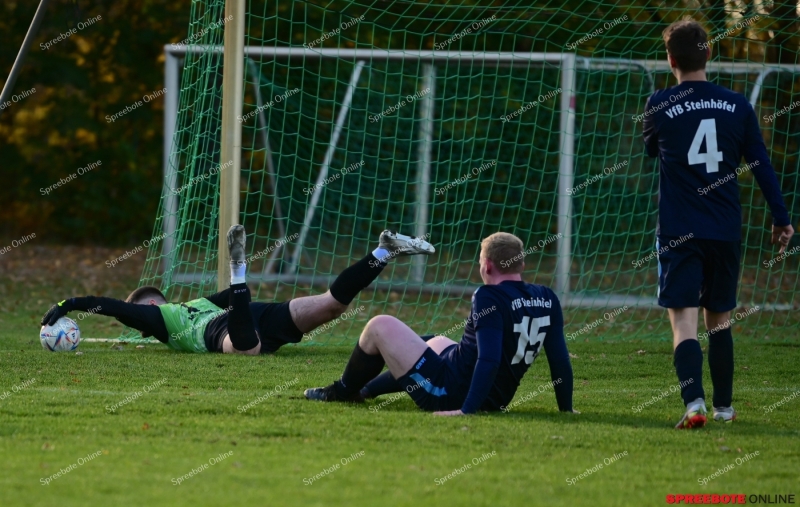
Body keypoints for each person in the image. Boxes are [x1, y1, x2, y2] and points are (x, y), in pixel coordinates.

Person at [642, 19, 794, 428]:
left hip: (678, 230)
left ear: (670, 59)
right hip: (724, 228)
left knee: (684, 323)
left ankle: (694, 405)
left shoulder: (658, 103)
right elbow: (761, 163)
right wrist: (781, 218)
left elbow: (650, 150)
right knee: (720, 320)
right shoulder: (738, 105)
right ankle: (725, 407)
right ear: (709, 53)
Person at [40, 226, 434, 355]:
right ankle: (382, 250)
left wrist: (66, 304)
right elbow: (229, 300)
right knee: (332, 305)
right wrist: (65, 304)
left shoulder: (160, 320)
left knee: (247, 350)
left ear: (145, 310)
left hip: (227, 329)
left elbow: (108, 306)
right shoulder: (185, 307)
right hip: (249, 315)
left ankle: (238, 267)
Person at [304, 232, 575, 416]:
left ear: (488, 267)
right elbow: (560, 360)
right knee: (437, 341)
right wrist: (567, 409)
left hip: (451, 393)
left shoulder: (488, 295)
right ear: (522, 264)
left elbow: (490, 360)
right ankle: (365, 391)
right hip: (497, 399)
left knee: (378, 326)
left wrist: (465, 410)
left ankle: (341, 391)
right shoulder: (546, 297)